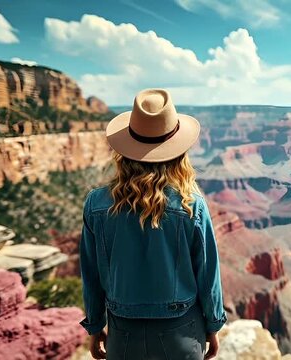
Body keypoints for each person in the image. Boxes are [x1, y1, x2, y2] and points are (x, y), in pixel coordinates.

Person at [78, 88, 227, 360]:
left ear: (125, 151)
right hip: (181, 334)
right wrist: (214, 325)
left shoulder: (96, 205)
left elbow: (91, 276)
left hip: (123, 337)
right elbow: (208, 275)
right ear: (178, 152)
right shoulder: (191, 205)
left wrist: (95, 325)